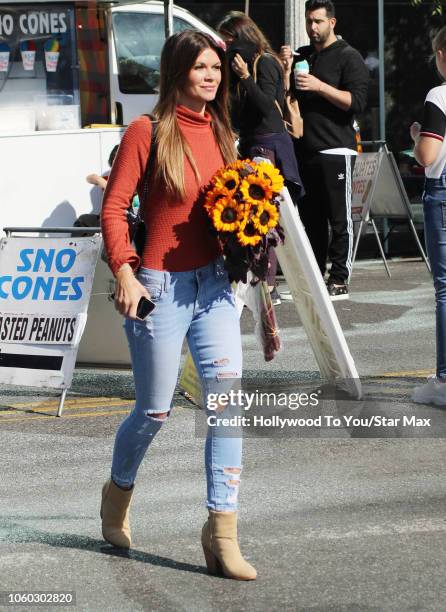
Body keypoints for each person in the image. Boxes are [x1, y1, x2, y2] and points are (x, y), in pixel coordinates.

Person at [100, 30, 256, 580]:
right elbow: (116, 208)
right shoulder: (147, 131)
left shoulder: (221, 131)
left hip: (214, 287)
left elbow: (232, 211)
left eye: (216, 67)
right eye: (200, 68)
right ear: (177, 73)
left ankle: (221, 533)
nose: (211, 76)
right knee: (155, 409)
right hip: (159, 288)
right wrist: (125, 271)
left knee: (226, 405)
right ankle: (117, 494)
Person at [280, 0, 368, 300]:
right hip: (305, 148)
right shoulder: (304, 55)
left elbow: (356, 103)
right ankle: (315, 279)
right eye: (308, 21)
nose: (312, 27)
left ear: (332, 22)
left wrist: (319, 86)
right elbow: (288, 97)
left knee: (338, 217)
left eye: (318, 21)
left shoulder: (348, 57)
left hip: (336, 149)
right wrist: (286, 68)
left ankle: (340, 280)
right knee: (311, 219)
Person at [217, 11, 303, 306]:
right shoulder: (239, 67)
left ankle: (269, 283)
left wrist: (244, 78)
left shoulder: (264, 62)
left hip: (269, 145)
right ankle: (260, 279)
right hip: (253, 144)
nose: (228, 49)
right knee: (255, 216)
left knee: (265, 217)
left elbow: (268, 105)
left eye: (230, 42)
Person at [411, 26, 446, 405]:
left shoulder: (439, 95)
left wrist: (418, 136)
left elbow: (428, 156)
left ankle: (444, 381)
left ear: (441, 54)